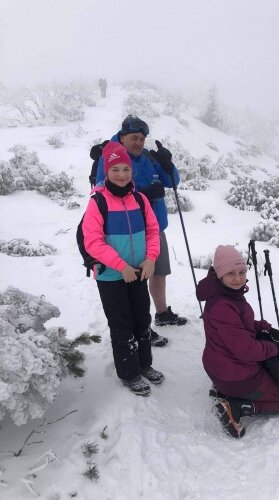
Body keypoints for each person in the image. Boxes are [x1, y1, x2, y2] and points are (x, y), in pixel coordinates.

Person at [95, 115, 187, 348]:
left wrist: (168, 164)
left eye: (142, 138)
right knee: (134, 280)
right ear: (123, 136)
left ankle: (162, 313)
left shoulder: (147, 157)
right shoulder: (110, 155)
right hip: (127, 231)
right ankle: (141, 327)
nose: (138, 142)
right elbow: (101, 189)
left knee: (158, 272)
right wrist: (143, 193)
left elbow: (172, 181)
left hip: (155, 227)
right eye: (134, 137)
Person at [82, 141, 164, 397]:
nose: (121, 174)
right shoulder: (98, 202)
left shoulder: (139, 199)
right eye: (115, 169)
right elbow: (92, 241)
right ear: (106, 172)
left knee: (142, 318)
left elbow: (153, 231)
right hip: (111, 275)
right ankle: (129, 373)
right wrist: (120, 266)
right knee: (121, 323)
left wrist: (150, 259)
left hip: (139, 271)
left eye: (125, 169)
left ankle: (144, 364)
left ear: (131, 171)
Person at [196, 245, 279, 438]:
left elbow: (236, 327)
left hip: (219, 368)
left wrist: (257, 326)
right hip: (237, 375)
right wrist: (271, 349)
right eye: (231, 273)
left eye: (242, 272)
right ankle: (236, 406)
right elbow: (246, 350)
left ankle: (224, 389)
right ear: (219, 274)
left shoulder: (224, 296)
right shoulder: (223, 305)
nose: (238, 279)